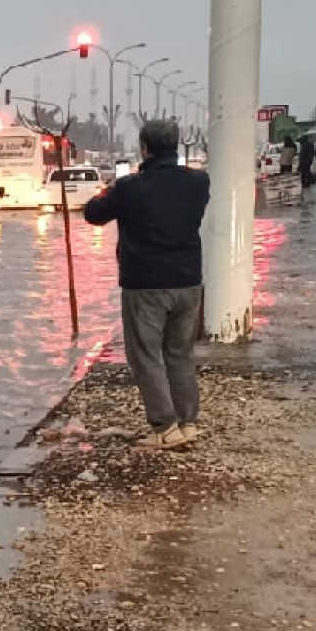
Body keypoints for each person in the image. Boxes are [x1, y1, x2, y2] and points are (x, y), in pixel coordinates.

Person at [82, 119, 212, 450]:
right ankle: (188, 423)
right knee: (180, 353)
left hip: (146, 286)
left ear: (144, 147)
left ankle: (165, 428)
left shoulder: (129, 188)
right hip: (188, 282)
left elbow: (94, 214)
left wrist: (111, 188)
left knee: (145, 357)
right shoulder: (199, 182)